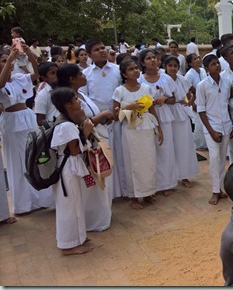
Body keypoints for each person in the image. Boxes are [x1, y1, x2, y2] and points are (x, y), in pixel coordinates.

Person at [57, 63, 114, 232]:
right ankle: (92, 221)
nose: (84, 75)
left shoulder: (80, 94)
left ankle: (102, 216)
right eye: (80, 73)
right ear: (72, 79)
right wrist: (102, 115)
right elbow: (81, 123)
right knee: (93, 185)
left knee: (101, 181)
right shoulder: (68, 100)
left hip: (97, 141)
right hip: (86, 146)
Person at [0, 43, 54, 214]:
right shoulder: (2, 82)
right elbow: (1, 83)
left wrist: (29, 53)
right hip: (12, 122)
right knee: (17, 162)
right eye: (1, 61)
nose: (5, 62)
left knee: (35, 156)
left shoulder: (18, 78)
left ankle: (41, 198)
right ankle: (23, 204)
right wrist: (9, 60)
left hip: (27, 117)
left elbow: (37, 73)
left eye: (5, 60)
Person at [49, 87, 96, 255]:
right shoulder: (67, 126)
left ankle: (78, 237)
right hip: (67, 169)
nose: (79, 102)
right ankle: (68, 245)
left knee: (75, 204)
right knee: (69, 206)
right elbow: (74, 150)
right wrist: (85, 133)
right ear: (68, 104)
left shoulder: (65, 121)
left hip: (69, 167)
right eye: (76, 99)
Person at [113, 60, 163, 209]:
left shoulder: (146, 88)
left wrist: (159, 129)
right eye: (131, 69)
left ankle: (148, 192)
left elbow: (153, 109)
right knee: (132, 162)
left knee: (148, 160)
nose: (135, 71)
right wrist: (129, 106)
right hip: (130, 129)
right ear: (124, 74)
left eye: (136, 68)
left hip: (146, 127)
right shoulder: (120, 91)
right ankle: (133, 196)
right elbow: (115, 115)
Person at [81, 39, 124, 201]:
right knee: (105, 154)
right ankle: (110, 193)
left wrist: (116, 113)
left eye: (103, 48)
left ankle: (124, 189)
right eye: (97, 49)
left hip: (118, 118)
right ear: (90, 54)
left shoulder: (117, 70)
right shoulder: (86, 74)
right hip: (98, 122)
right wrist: (98, 118)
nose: (102, 51)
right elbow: (84, 98)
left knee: (120, 153)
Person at [138, 49, 179, 196]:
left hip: (164, 115)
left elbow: (175, 99)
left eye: (154, 57)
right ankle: (151, 185)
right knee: (150, 150)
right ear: (143, 62)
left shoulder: (166, 78)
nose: (152, 60)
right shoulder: (139, 80)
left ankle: (166, 183)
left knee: (166, 149)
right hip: (147, 116)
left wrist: (165, 99)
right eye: (148, 58)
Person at [196, 54, 233, 205]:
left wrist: (231, 123)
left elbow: (227, 105)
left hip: (226, 124)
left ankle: (221, 188)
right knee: (213, 158)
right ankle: (215, 191)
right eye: (212, 64)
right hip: (212, 126)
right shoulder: (202, 86)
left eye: (217, 63)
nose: (216, 66)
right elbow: (201, 110)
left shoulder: (226, 82)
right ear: (206, 68)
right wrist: (211, 130)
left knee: (222, 158)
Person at [163, 56, 200, 188]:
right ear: (165, 67)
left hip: (180, 111)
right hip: (166, 111)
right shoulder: (161, 79)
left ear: (179, 67)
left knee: (183, 145)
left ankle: (184, 176)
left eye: (175, 66)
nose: (173, 68)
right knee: (168, 146)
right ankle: (169, 178)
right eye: (170, 65)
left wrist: (190, 102)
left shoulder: (182, 79)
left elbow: (195, 91)